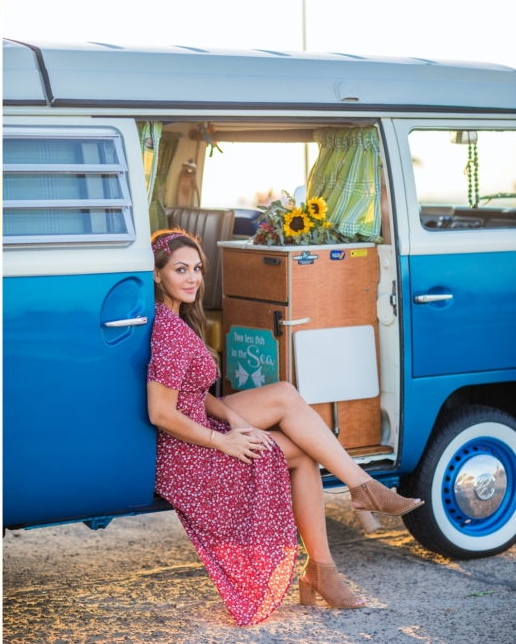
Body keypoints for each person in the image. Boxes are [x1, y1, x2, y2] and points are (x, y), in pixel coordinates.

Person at [146, 228, 422, 626]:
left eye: (198, 269)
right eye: (180, 270)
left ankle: (356, 504)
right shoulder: (169, 333)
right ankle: (345, 525)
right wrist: (221, 441)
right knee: (304, 454)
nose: (192, 278)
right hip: (184, 451)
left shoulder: (175, 318)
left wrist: (233, 417)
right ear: (158, 275)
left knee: (285, 395)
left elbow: (189, 389)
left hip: (200, 420)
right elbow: (161, 413)